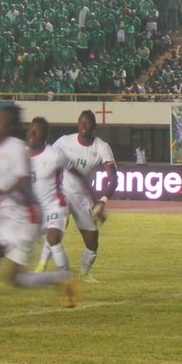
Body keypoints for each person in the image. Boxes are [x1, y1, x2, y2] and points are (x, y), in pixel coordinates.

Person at [0, 106, 76, 330]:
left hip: (27, 218)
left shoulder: (18, 149)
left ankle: (59, 278)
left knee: (15, 279)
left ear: (12, 126)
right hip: (7, 215)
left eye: (1, 120)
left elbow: (21, 183)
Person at [41, 110, 117, 282]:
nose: (84, 125)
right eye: (81, 122)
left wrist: (102, 201)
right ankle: (41, 266)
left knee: (92, 242)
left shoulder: (101, 147)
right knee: (56, 229)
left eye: (88, 122)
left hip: (83, 198)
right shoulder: (64, 141)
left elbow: (113, 178)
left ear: (94, 127)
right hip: (61, 192)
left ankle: (84, 274)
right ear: (77, 124)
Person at [27, 117, 76, 275]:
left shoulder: (55, 155)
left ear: (44, 135)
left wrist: (95, 199)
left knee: (53, 239)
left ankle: (67, 282)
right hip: (35, 209)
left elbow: (77, 174)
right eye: (31, 130)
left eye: (36, 131)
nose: (32, 134)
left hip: (56, 204)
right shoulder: (21, 155)